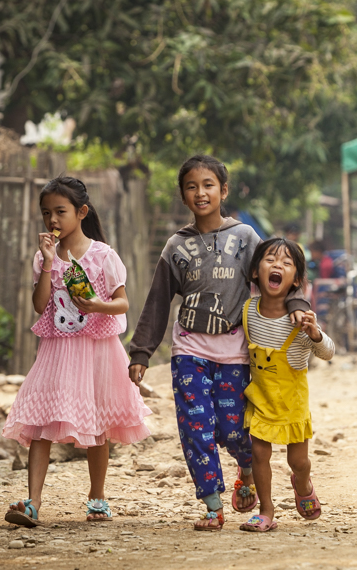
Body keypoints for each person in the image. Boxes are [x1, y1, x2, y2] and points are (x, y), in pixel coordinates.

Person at [128, 154, 312, 532]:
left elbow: (276, 269)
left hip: (235, 353)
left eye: (208, 185)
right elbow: (159, 300)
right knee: (196, 427)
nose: (200, 193)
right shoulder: (175, 247)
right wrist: (142, 351)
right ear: (182, 195)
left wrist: (297, 305)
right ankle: (212, 504)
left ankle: (246, 469)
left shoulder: (244, 238)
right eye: (192, 187)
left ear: (223, 190)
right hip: (189, 352)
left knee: (233, 428)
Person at [2, 176, 151, 527]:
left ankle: (97, 496)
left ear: (81, 212)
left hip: (98, 350)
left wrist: (98, 305)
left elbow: (123, 303)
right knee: (40, 423)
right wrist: (49, 262)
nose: (52, 220)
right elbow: (40, 306)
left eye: (60, 211)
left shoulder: (103, 256)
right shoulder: (44, 259)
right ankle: (33, 503)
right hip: (57, 350)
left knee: (96, 424)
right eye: (46, 213)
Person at [237, 238, 336, 532]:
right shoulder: (248, 311)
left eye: (287, 263)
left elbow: (328, 353)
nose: (277, 265)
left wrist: (315, 333)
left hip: (292, 402)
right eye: (269, 259)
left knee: (299, 460)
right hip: (260, 398)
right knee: (259, 454)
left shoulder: (301, 320)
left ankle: (302, 484)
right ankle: (267, 511)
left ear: (295, 280)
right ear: (255, 272)